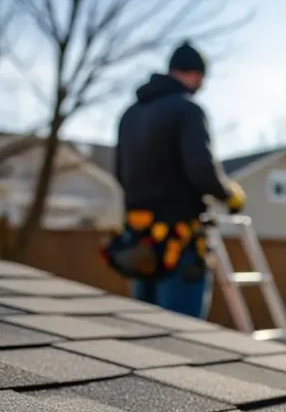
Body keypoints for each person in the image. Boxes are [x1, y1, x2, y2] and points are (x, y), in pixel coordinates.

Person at [104, 41, 245, 318]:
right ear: (196, 74)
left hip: (139, 241)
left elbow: (120, 173)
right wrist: (230, 194)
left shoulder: (129, 115)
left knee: (146, 326)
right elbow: (203, 173)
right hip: (179, 242)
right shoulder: (187, 110)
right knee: (183, 332)